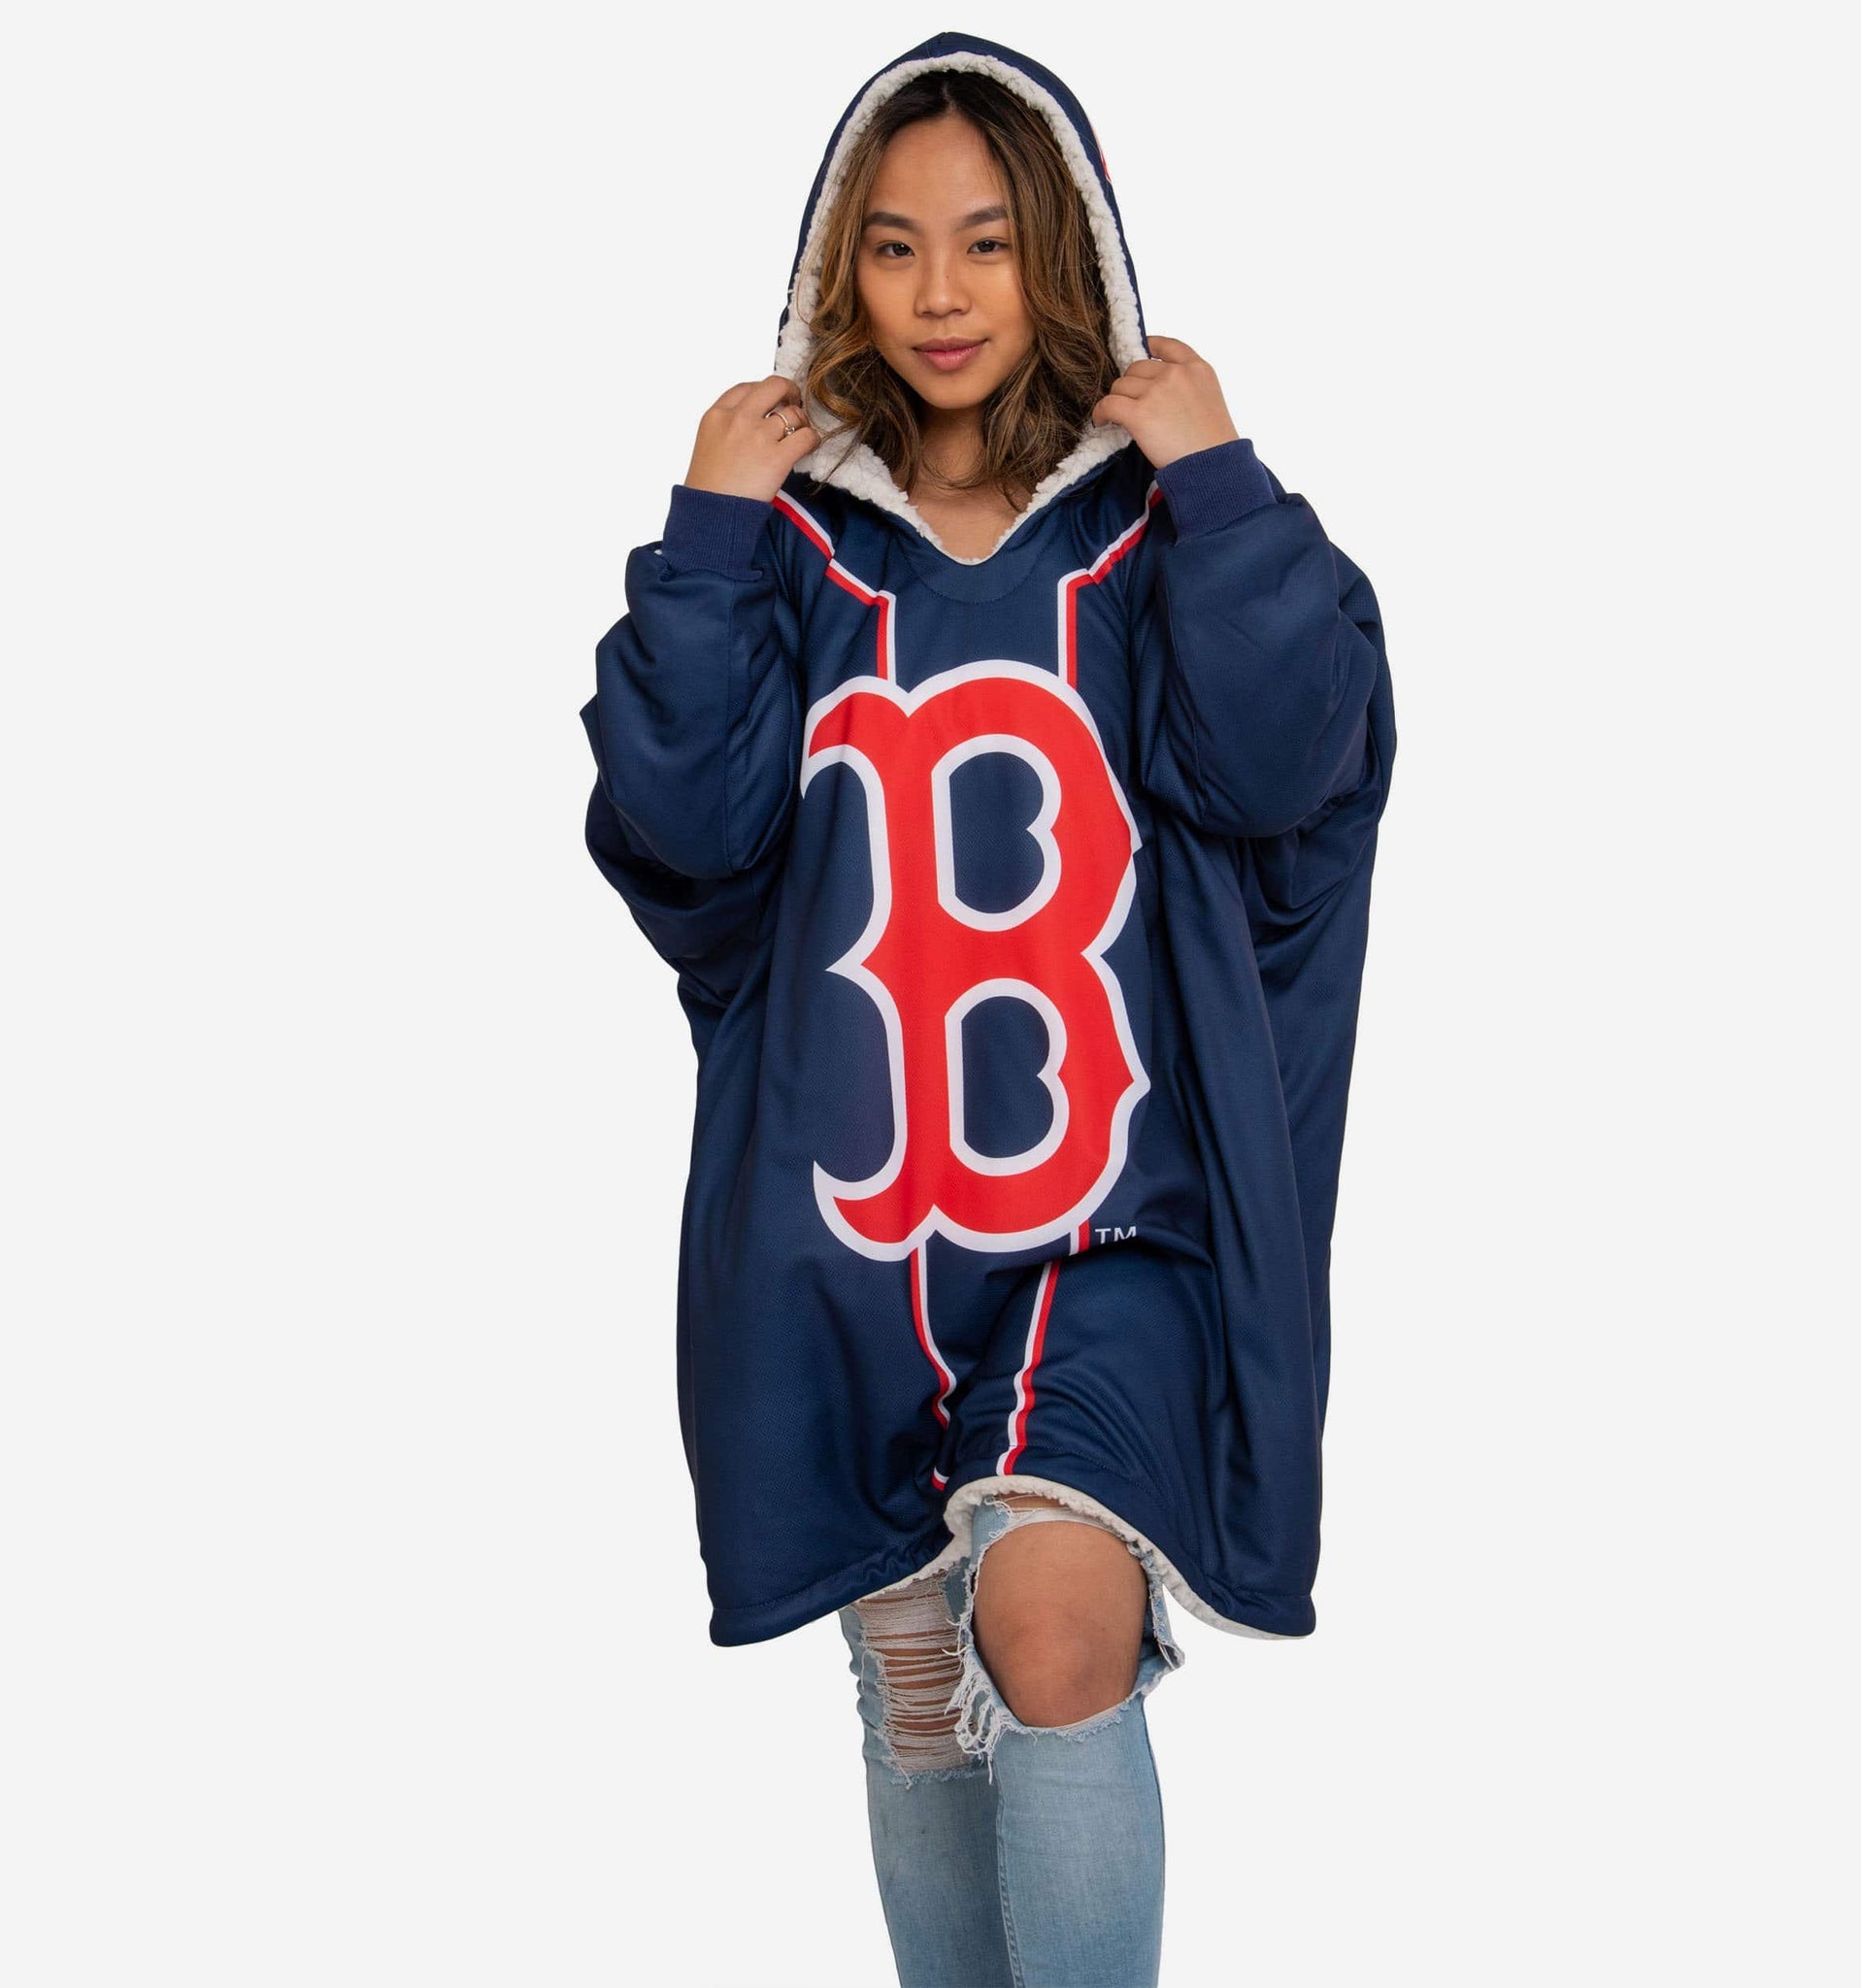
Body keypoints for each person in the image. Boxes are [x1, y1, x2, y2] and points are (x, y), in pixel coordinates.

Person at [578, 31, 1397, 1987]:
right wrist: (705, 535)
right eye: (891, 246)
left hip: (1117, 1214)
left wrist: (1222, 485)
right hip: (848, 1222)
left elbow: (1287, 766)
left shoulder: (1148, 525)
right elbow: (682, 832)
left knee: (1053, 1626)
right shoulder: (794, 537)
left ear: (1062, 254)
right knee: (923, 1677)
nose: (939, 292)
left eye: (986, 242)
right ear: (836, 271)